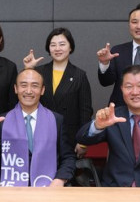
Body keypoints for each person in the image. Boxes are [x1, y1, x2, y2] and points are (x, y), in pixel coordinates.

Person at [0, 69, 76, 187]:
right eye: (23, 85)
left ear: (42, 90)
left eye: (35, 86)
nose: (29, 91)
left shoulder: (57, 120)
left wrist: (60, 179)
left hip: (49, 187)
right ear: (16, 89)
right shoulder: (1, 121)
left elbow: (68, 157)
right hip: (11, 188)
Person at [23, 27, 93, 158]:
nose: (57, 48)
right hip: (39, 135)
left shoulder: (79, 75)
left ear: (70, 47)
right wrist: (28, 70)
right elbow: (24, 99)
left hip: (69, 137)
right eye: (53, 45)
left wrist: (83, 142)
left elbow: (85, 111)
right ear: (48, 48)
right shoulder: (39, 72)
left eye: (62, 44)